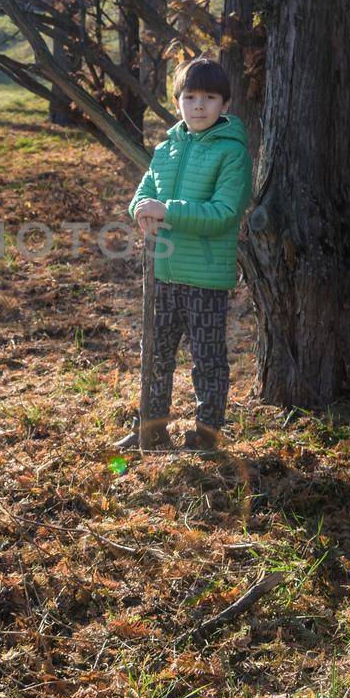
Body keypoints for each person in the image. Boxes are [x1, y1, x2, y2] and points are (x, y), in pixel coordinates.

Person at [118, 56, 252, 452]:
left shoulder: (232, 153)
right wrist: (141, 208)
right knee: (155, 354)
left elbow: (225, 213)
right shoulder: (167, 148)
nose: (198, 105)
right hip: (163, 272)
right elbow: (144, 193)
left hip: (205, 276)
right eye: (190, 97)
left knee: (207, 360)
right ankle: (152, 428)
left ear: (225, 105)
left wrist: (168, 210)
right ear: (177, 101)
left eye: (209, 97)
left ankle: (206, 435)